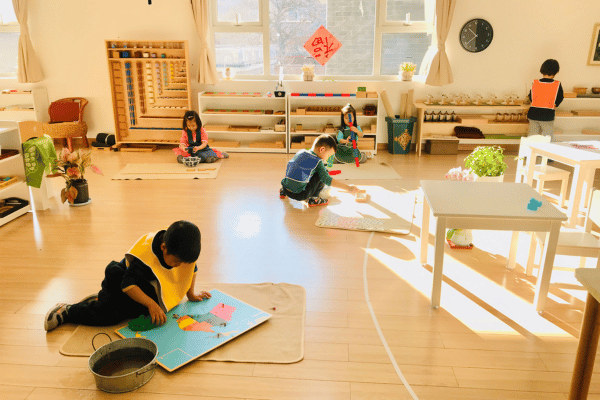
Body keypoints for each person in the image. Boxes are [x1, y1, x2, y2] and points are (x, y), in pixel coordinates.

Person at [44, 221, 211, 331]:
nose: (180, 266)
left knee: (148, 313)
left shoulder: (183, 253)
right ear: (163, 247)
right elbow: (127, 285)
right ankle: (67, 310)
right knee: (112, 315)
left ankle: (101, 299)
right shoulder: (145, 255)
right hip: (121, 280)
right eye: (176, 262)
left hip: (145, 285)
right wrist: (152, 304)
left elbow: (190, 270)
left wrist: (191, 294)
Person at [280, 134, 360, 207]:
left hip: (286, 188)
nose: (328, 158)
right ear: (322, 149)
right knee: (321, 174)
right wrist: (349, 188)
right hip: (300, 195)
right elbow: (327, 180)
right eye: (329, 155)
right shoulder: (318, 161)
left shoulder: (301, 152)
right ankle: (314, 199)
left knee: (298, 169)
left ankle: (283, 191)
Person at [527, 59, 564, 140]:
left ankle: (530, 151)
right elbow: (560, 97)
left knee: (532, 136)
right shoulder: (557, 84)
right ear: (556, 71)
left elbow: (530, 97)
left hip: (533, 114)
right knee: (547, 137)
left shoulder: (535, 83)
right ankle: (544, 152)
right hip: (547, 115)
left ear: (542, 69)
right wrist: (555, 104)